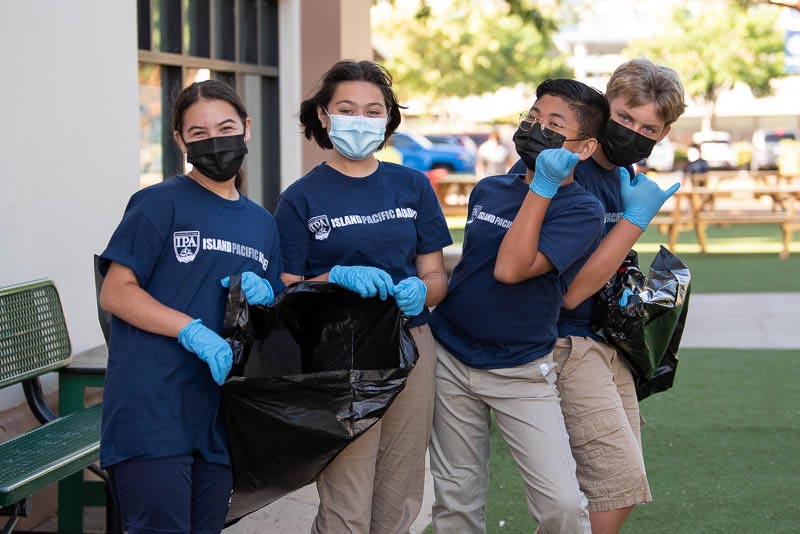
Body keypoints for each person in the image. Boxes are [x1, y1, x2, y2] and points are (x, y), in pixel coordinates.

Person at [98, 80, 285, 534]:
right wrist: (190, 330)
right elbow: (116, 291)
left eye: (224, 127)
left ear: (246, 128)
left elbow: (273, 315)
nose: (214, 140)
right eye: (198, 134)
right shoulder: (158, 204)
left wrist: (267, 302)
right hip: (152, 408)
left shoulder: (262, 223)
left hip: (220, 413)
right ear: (180, 141)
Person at [509, 58, 686, 534]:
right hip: (567, 341)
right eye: (625, 118)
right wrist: (634, 223)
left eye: (648, 127)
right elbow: (570, 291)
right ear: (605, 107)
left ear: (663, 134)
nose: (634, 132)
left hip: (607, 342)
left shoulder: (619, 176)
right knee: (614, 482)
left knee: (618, 486)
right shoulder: (563, 168)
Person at [273, 60, 452, 534]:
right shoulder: (300, 198)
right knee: (347, 498)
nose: (361, 118)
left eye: (374, 110)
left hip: (410, 344)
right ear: (325, 117)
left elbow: (435, 275)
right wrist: (333, 277)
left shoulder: (412, 185)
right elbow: (284, 288)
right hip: (338, 354)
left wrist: (422, 291)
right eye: (347, 108)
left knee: (400, 490)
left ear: (388, 119)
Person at [429, 79, 609, 534]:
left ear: (584, 148)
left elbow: (511, 269)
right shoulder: (489, 189)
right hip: (450, 357)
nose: (535, 128)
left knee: (563, 507)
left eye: (553, 124)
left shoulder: (580, 210)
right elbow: (473, 268)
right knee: (456, 502)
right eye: (532, 117)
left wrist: (542, 188)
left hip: (521, 370)